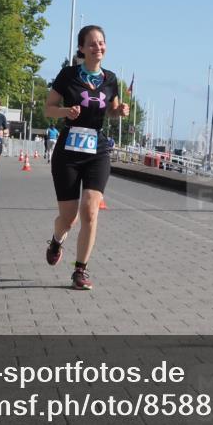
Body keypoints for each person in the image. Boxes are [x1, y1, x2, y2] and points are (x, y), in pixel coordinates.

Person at [42, 25, 129, 290]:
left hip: (97, 149)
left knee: (90, 211)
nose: (97, 47)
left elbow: (111, 110)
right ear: (81, 48)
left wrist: (120, 111)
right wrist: (66, 111)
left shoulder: (110, 79)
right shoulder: (68, 75)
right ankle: (57, 240)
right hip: (68, 150)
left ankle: (80, 270)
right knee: (69, 218)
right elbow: (48, 109)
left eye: (101, 42)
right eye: (91, 43)